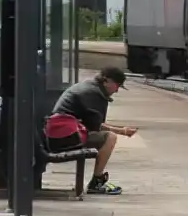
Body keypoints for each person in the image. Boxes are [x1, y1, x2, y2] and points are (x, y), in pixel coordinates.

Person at [51, 66, 137, 195]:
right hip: (65, 136)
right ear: (106, 81)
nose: (117, 90)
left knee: (107, 136)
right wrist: (122, 131)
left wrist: (122, 130)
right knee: (110, 138)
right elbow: (95, 126)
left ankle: (97, 180)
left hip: (60, 132)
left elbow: (93, 124)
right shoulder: (94, 94)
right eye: (117, 85)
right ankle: (96, 181)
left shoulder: (90, 87)